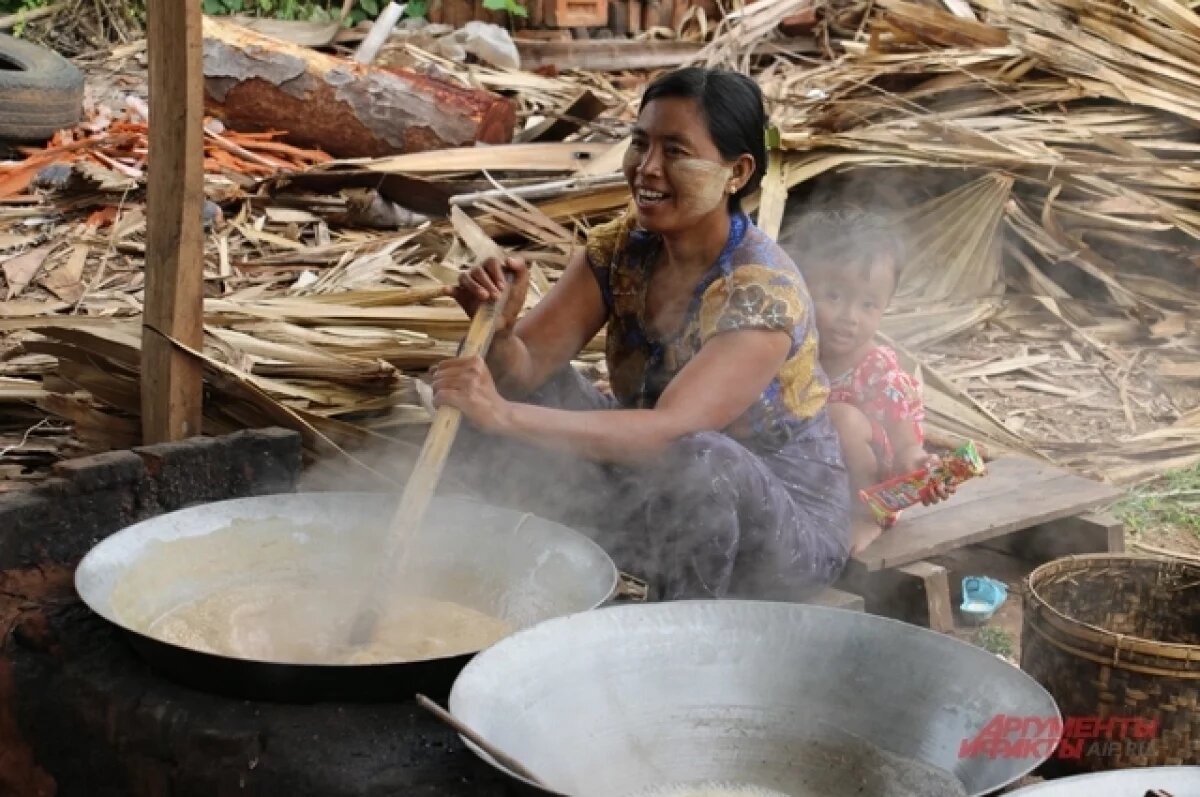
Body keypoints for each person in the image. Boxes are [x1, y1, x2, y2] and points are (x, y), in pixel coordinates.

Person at [429, 66, 851, 602]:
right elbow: (525, 370)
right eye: (639, 143)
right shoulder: (621, 250)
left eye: (675, 151)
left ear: (737, 172)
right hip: (655, 491)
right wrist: (501, 331)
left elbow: (670, 433)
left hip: (780, 533)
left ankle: (675, 631)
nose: (647, 168)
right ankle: (495, 585)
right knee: (477, 378)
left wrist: (503, 416)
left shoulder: (763, 294)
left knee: (701, 459)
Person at [780, 207, 946, 555]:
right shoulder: (787, 347)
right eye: (834, 296)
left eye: (868, 304)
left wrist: (920, 467)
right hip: (809, 478)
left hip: (874, 489)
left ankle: (868, 518)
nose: (849, 317)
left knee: (840, 418)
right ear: (800, 288)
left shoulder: (879, 372)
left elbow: (906, 448)